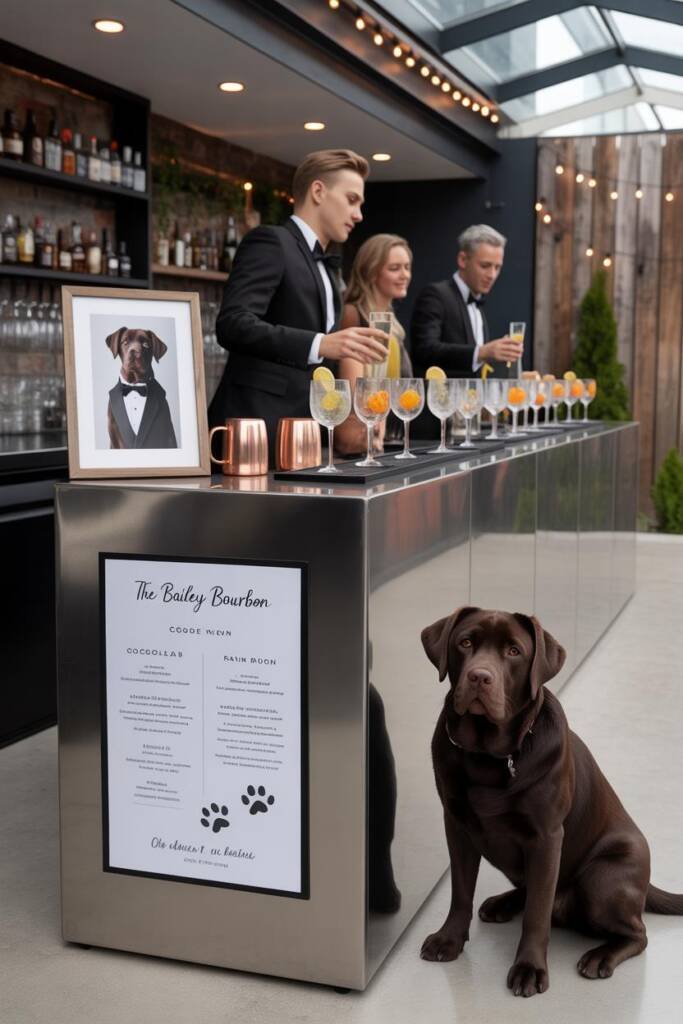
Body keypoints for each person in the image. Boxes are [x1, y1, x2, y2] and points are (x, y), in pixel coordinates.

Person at [208, 149, 388, 463]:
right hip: (253, 433)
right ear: (318, 191)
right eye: (352, 199)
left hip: (305, 435)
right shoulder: (271, 241)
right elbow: (232, 323)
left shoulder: (329, 267)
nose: (359, 214)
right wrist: (321, 343)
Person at [409, 224, 522, 439]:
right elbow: (425, 349)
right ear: (463, 260)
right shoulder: (436, 295)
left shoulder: (477, 305)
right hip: (434, 428)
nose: (492, 274)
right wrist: (482, 352)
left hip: (468, 425)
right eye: (485, 265)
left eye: (498, 267)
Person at [336, 233, 413, 454]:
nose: (404, 275)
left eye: (407, 267)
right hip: (361, 442)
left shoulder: (393, 325)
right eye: (395, 268)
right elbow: (353, 392)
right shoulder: (353, 314)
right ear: (371, 272)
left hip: (387, 440)